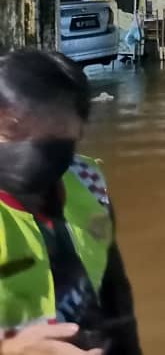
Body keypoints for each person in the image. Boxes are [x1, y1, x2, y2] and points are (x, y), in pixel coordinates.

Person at [0, 50, 141, 355]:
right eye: (13, 129)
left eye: (56, 130)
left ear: (79, 129)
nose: (32, 148)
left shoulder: (88, 183)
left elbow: (113, 289)